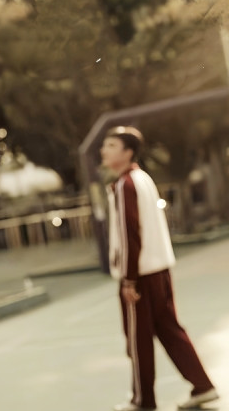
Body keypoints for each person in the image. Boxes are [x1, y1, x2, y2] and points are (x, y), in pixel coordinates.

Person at [101, 126, 219, 411]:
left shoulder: (125, 185)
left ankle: (143, 400)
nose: (104, 150)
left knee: (138, 339)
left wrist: (128, 279)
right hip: (159, 271)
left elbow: (130, 234)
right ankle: (203, 386)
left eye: (112, 145)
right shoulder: (142, 179)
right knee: (169, 330)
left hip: (140, 275)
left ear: (128, 152)